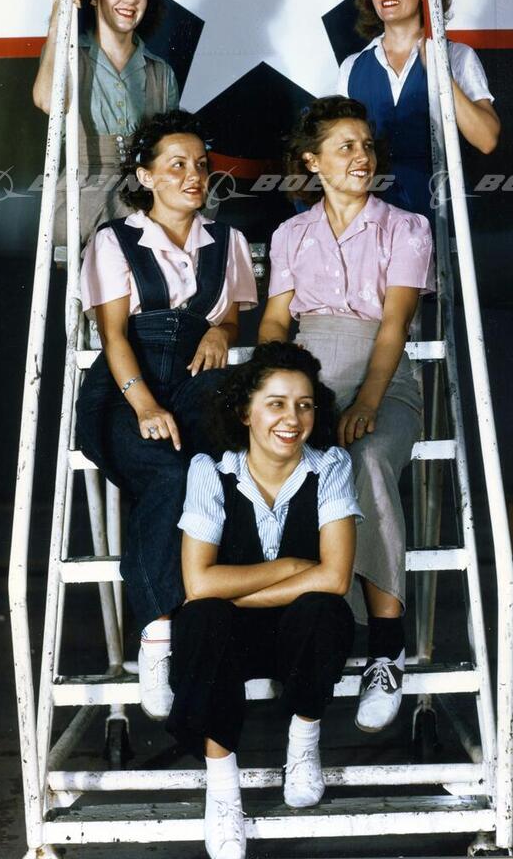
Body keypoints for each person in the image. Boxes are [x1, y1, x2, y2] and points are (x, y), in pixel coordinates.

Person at [259, 96, 435, 734]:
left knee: (366, 459)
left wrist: (366, 401)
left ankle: (386, 651)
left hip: (383, 383)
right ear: (313, 162)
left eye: (366, 145)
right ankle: (287, 637)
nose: (361, 157)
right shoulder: (291, 235)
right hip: (308, 383)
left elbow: (393, 327)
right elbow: (275, 320)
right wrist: (280, 389)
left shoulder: (406, 228)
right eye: (345, 147)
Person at [75, 109, 257, 719]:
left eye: (200, 165)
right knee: (170, 474)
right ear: (146, 176)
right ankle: (157, 636)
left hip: (197, 381)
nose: (193, 175)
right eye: (176, 165)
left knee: (223, 472)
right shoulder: (114, 240)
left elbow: (230, 318)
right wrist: (146, 404)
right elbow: (113, 336)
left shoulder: (226, 242)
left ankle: (222, 629)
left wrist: (221, 333)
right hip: (125, 389)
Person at [167, 341, 359, 859]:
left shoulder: (330, 466)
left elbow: (335, 578)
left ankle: (304, 744)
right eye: (276, 403)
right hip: (231, 638)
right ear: (245, 412)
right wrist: (291, 568)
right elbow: (197, 585)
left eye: (304, 404)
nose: (292, 418)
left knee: (325, 610)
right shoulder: (211, 471)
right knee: (203, 619)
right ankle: (223, 793)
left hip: (298, 632)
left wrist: (238, 589)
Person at [337, 0, 500, 218]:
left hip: (440, 217)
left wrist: (440, 72)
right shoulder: (353, 67)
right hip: (373, 222)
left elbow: (486, 139)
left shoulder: (457, 56)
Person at [33, 0, 179, 244]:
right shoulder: (70, 55)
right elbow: (46, 101)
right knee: (136, 216)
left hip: (147, 183)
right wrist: (57, 23)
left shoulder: (161, 72)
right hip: (85, 188)